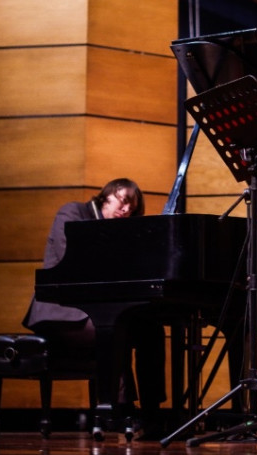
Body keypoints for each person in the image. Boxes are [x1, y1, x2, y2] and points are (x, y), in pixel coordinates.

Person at [22, 178, 167, 432]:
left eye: (132, 210)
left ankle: (152, 414)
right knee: (115, 330)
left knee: (150, 330)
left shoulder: (118, 232)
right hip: (61, 311)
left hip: (97, 309)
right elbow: (76, 263)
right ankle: (118, 411)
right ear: (106, 195)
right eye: (123, 202)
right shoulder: (73, 212)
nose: (126, 211)